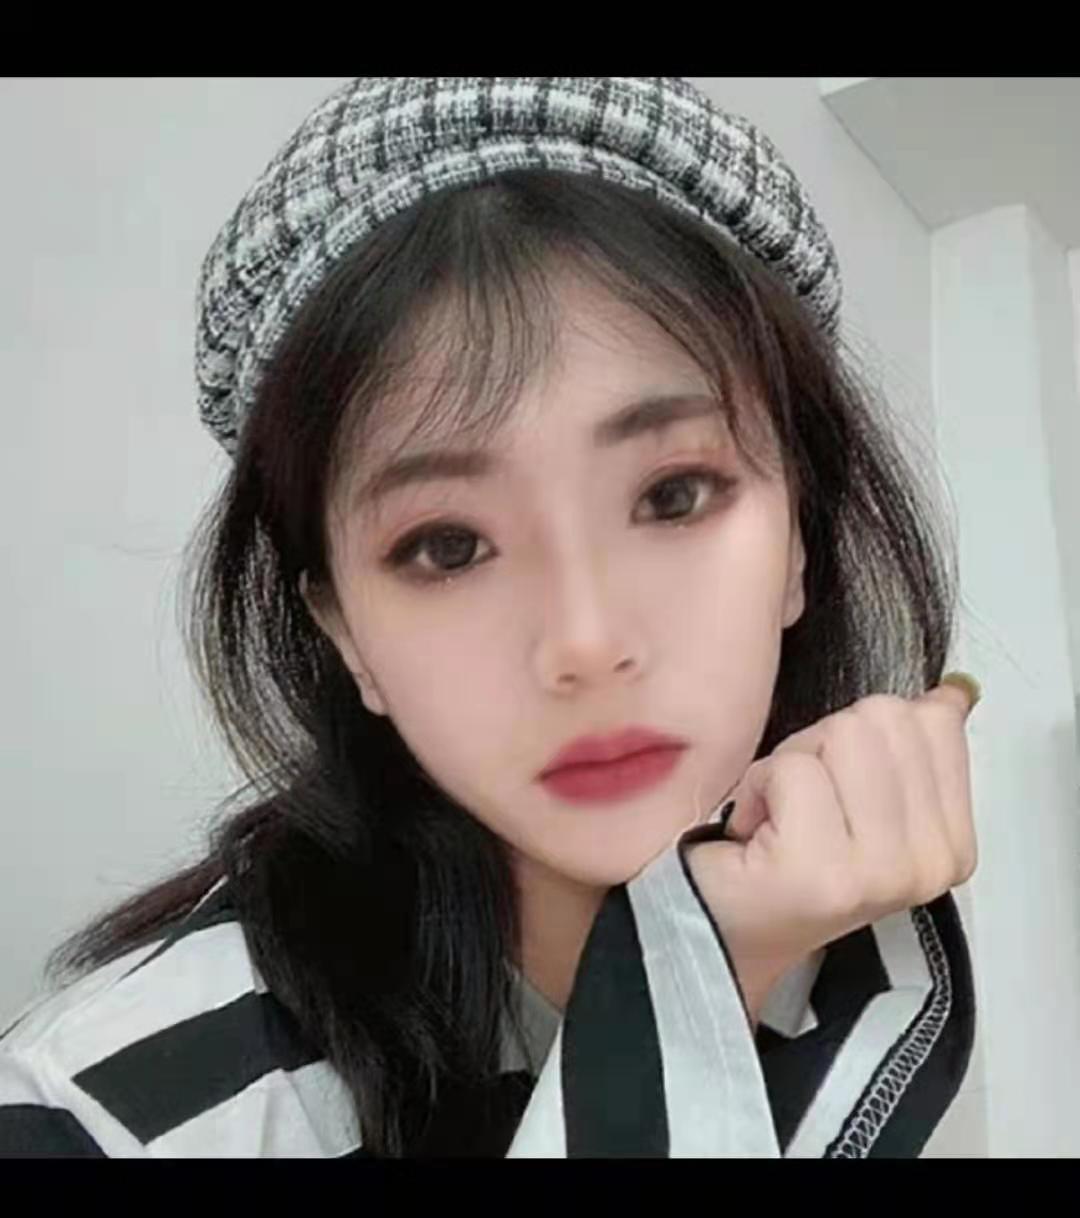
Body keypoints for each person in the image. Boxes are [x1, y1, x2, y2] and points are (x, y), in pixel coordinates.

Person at [0, 77, 978, 1159]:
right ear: (344, 630)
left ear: (797, 540)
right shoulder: (106, 1118)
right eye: (448, 547)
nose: (585, 643)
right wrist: (695, 996)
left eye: (673, 496)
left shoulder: (857, 955)